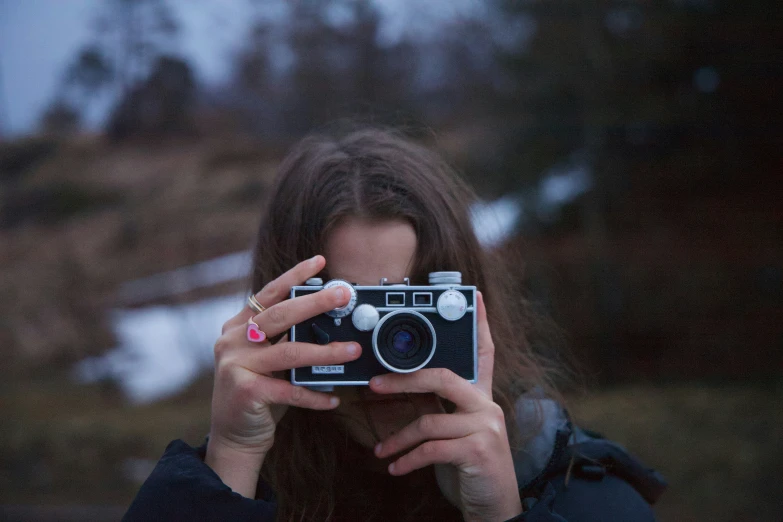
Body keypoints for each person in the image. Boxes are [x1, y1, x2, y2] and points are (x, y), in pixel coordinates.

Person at [123, 127, 666, 521]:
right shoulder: (241, 482)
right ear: (284, 314)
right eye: (348, 316)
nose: (392, 347)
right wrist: (230, 466)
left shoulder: (580, 495)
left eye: (414, 314)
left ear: (470, 306)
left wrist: (502, 514)